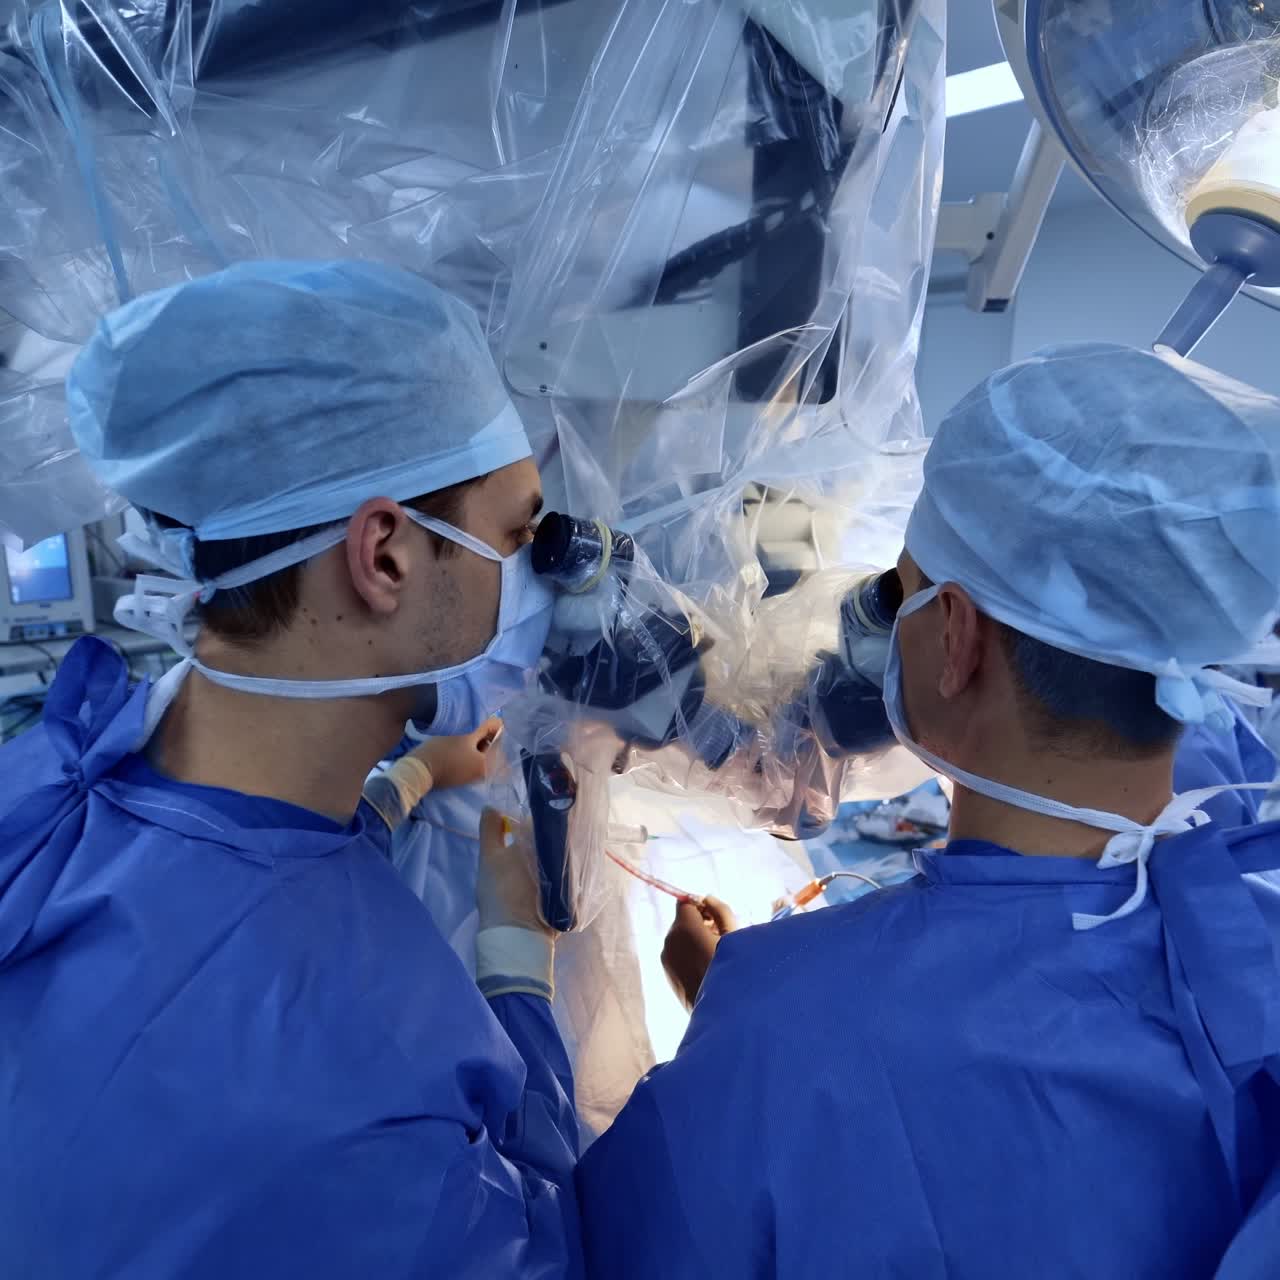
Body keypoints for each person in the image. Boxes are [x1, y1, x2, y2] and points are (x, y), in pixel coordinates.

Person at [578, 342, 1280, 1279]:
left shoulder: (789, 1018)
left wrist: (746, 1040)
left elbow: (596, 1249)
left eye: (897, 596)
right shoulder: (1250, 899)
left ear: (953, 639)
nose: (879, 629)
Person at [0, 260, 581, 1278]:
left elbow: (232, 875)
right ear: (386, 554)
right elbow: (538, 1243)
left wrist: (403, 781)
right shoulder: (369, 1077)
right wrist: (517, 967)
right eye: (517, 532)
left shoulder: (50, 791)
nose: (535, 570)